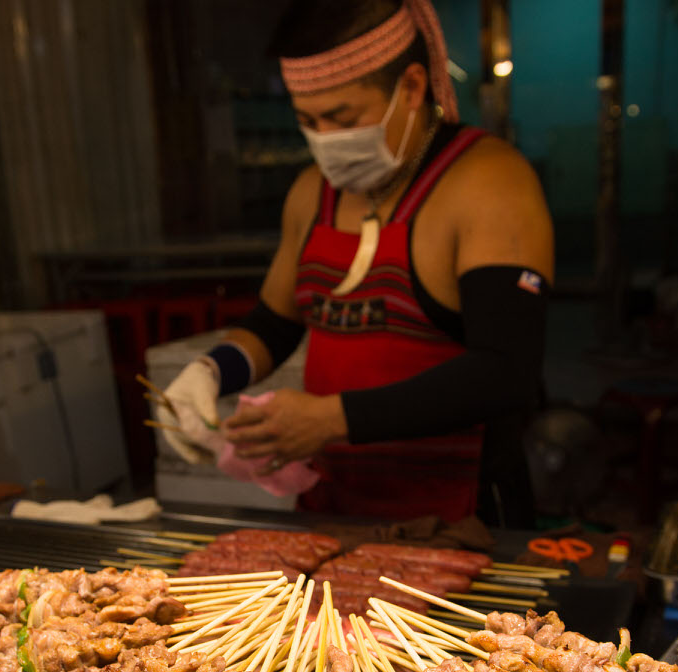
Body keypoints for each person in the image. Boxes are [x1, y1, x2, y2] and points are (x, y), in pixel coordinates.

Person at [154, 0, 553, 526]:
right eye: (307, 121)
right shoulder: (310, 194)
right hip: (332, 513)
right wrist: (209, 373)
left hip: (458, 517)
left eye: (342, 119)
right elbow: (275, 323)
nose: (325, 139)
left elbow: (506, 371)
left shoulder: (489, 183)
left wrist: (332, 417)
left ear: (411, 89)